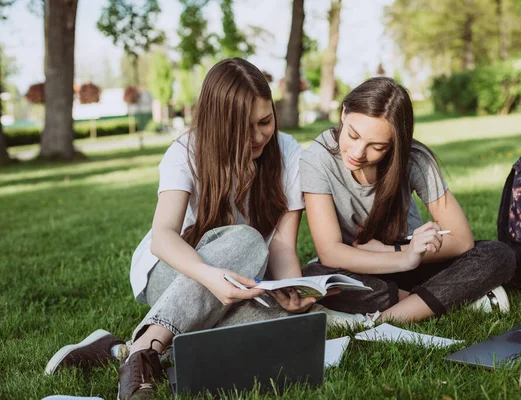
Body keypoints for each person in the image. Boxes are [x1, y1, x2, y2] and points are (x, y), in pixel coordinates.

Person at [45, 58, 320, 399]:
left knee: (286, 322)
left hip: (242, 280)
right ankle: (147, 349)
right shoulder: (186, 151)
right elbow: (163, 237)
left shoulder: (289, 152)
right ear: (219, 124)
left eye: (265, 121)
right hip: (176, 271)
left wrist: (291, 292)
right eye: (242, 128)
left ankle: (121, 350)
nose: (258, 136)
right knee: (247, 242)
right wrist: (208, 275)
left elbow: (281, 245)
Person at [299, 77, 516, 323]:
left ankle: (385, 318)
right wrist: (402, 259)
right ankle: (444, 300)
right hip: (360, 266)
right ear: (344, 112)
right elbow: (330, 253)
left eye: (377, 147)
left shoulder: (413, 158)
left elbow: (462, 239)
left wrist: (402, 253)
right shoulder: (317, 158)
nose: (359, 153)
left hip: (413, 262)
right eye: (353, 135)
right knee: (315, 276)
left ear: (395, 144)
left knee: (498, 254)